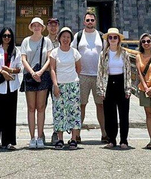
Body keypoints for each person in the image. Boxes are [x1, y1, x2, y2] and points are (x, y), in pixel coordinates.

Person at [72, 11, 107, 143]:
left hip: (98, 76)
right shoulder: (79, 36)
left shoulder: (101, 36)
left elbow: (106, 54)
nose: (90, 22)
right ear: (84, 22)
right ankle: (77, 133)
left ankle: (104, 133)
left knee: (100, 105)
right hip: (83, 76)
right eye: (88, 20)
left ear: (95, 22)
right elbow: (73, 53)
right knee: (81, 105)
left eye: (92, 20)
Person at [21, 17, 53, 149]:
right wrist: (32, 73)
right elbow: (23, 58)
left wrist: (40, 72)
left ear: (42, 27)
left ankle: (40, 136)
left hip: (43, 75)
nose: (36, 28)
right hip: (30, 75)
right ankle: (32, 137)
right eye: (34, 25)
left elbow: (50, 58)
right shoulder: (25, 41)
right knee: (31, 108)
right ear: (31, 27)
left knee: (41, 107)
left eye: (38, 25)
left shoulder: (47, 41)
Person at [97, 28, 132, 149]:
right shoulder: (103, 54)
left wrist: (128, 88)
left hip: (121, 82)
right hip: (108, 84)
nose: (112, 40)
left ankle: (124, 140)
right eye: (110, 37)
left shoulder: (124, 53)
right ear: (107, 40)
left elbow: (128, 71)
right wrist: (101, 89)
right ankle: (112, 139)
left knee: (123, 114)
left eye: (115, 37)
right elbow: (100, 72)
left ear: (118, 39)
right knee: (109, 113)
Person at [49, 27, 82, 150]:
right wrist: (56, 85)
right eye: (63, 37)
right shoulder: (54, 52)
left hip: (72, 84)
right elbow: (52, 69)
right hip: (59, 84)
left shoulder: (75, 52)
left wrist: (72, 79)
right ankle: (60, 139)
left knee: (73, 111)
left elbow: (79, 68)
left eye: (68, 37)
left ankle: (73, 139)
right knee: (59, 111)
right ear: (59, 38)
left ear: (71, 39)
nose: (66, 39)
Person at [45, 17, 60, 144]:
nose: (53, 27)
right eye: (51, 25)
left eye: (55, 25)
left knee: (57, 106)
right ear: (47, 27)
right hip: (44, 77)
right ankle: (40, 133)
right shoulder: (43, 41)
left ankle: (56, 133)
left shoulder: (63, 41)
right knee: (41, 106)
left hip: (58, 78)